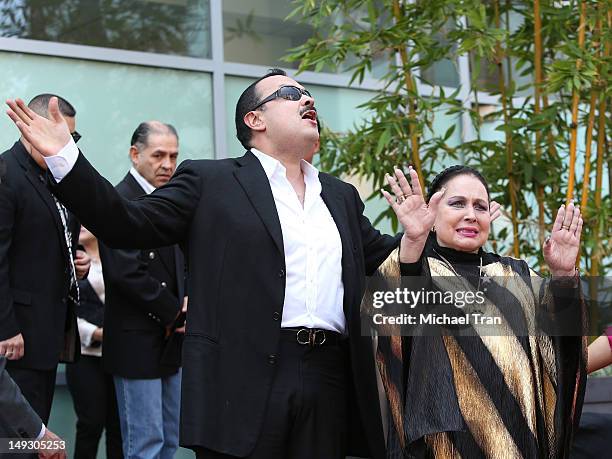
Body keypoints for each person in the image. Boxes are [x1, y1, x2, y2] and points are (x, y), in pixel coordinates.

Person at [6, 69, 406, 459]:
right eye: (289, 94)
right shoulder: (211, 181)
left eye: (307, 95)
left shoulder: (340, 197)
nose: (307, 99)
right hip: (241, 378)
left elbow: (384, 263)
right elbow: (127, 223)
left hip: (328, 376)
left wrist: (422, 236)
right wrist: (66, 159)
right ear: (255, 119)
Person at [368, 165, 587, 458]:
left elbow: (564, 348)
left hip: (517, 443)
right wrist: (412, 244)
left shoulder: (517, 275)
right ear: (432, 215)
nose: (471, 214)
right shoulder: (416, 270)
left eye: (480, 207)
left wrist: (563, 277)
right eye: (457, 204)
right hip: (444, 446)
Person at [0, 94, 90, 426]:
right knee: (15, 442)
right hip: (16, 338)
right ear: (29, 128)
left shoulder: (56, 176)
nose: (66, 145)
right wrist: (5, 329)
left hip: (49, 334)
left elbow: (52, 241)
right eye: (60, 135)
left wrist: (77, 262)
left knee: (37, 435)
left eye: (72, 138)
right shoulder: (6, 173)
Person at [99, 121, 186, 459]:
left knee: (171, 439)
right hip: (137, 341)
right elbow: (125, 271)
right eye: (158, 155)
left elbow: (183, 261)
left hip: (171, 340)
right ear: (135, 155)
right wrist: (175, 311)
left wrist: (188, 297)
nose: (167, 164)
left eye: (174, 156)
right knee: (145, 444)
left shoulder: (172, 199)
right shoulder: (119, 199)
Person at [65, 226, 123, 459]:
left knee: (119, 427)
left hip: (119, 356)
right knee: (90, 423)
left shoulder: (117, 258)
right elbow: (64, 312)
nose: (81, 226)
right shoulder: (70, 260)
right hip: (85, 356)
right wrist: (97, 333)